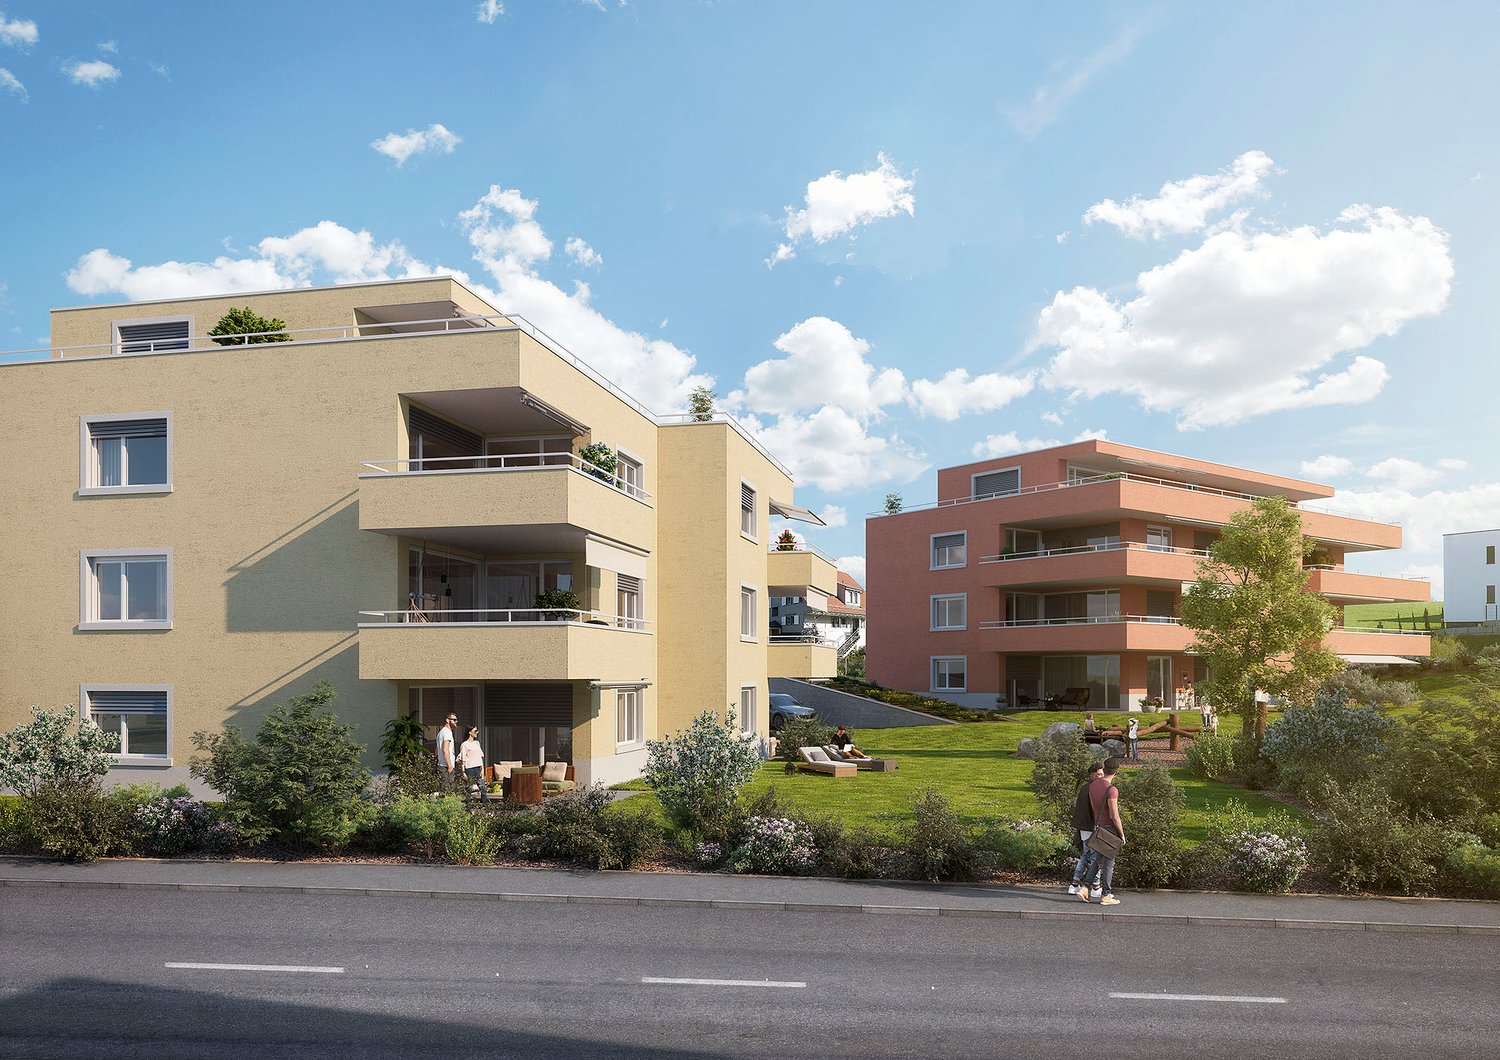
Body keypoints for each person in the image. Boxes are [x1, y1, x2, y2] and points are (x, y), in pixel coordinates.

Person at [1080, 757, 1124, 906]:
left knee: (1097, 860)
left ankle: (1085, 887)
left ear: (1104, 769)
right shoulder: (1112, 790)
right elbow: (1114, 815)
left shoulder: (1093, 786)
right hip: (1110, 829)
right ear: (1115, 772)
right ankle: (1106, 895)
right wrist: (1121, 834)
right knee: (1109, 863)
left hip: (1098, 828)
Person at [1067, 761, 1105, 895]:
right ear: (1092, 775)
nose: (1101, 776)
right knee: (1095, 858)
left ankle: (1074, 884)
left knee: (1085, 856)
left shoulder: (1085, 788)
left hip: (1084, 828)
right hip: (1091, 827)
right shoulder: (1094, 789)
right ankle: (1095, 887)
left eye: (1102, 774)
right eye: (1099, 774)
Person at [457, 726, 489, 806]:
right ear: (470, 732)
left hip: (478, 768)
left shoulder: (477, 743)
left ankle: (485, 805)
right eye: (475, 731)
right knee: (469, 789)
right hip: (469, 769)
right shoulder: (464, 744)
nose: (477, 732)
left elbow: (480, 756)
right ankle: (468, 806)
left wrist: (482, 769)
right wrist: (463, 772)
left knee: (483, 788)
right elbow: (463, 759)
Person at [436, 712, 458, 777]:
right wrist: (450, 765)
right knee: (449, 783)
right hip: (446, 767)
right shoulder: (447, 732)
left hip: (441, 765)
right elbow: (445, 749)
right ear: (447, 720)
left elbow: (436, 751)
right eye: (454, 720)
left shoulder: (441, 732)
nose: (456, 722)